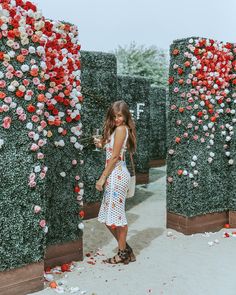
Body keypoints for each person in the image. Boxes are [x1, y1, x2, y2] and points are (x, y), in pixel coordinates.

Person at [94, 100, 136, 264]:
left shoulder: (121, 129)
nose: (117, 119)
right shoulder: (116, 130)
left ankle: (123, 253)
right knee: (108, 218)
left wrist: (102, 178)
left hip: (116, 175)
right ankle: (125, 250)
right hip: (115, 175)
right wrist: (101, 142)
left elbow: (114, 157)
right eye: (114, 116)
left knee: (117, 216)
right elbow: (111, 149)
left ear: (125, 115)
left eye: (120, 115)